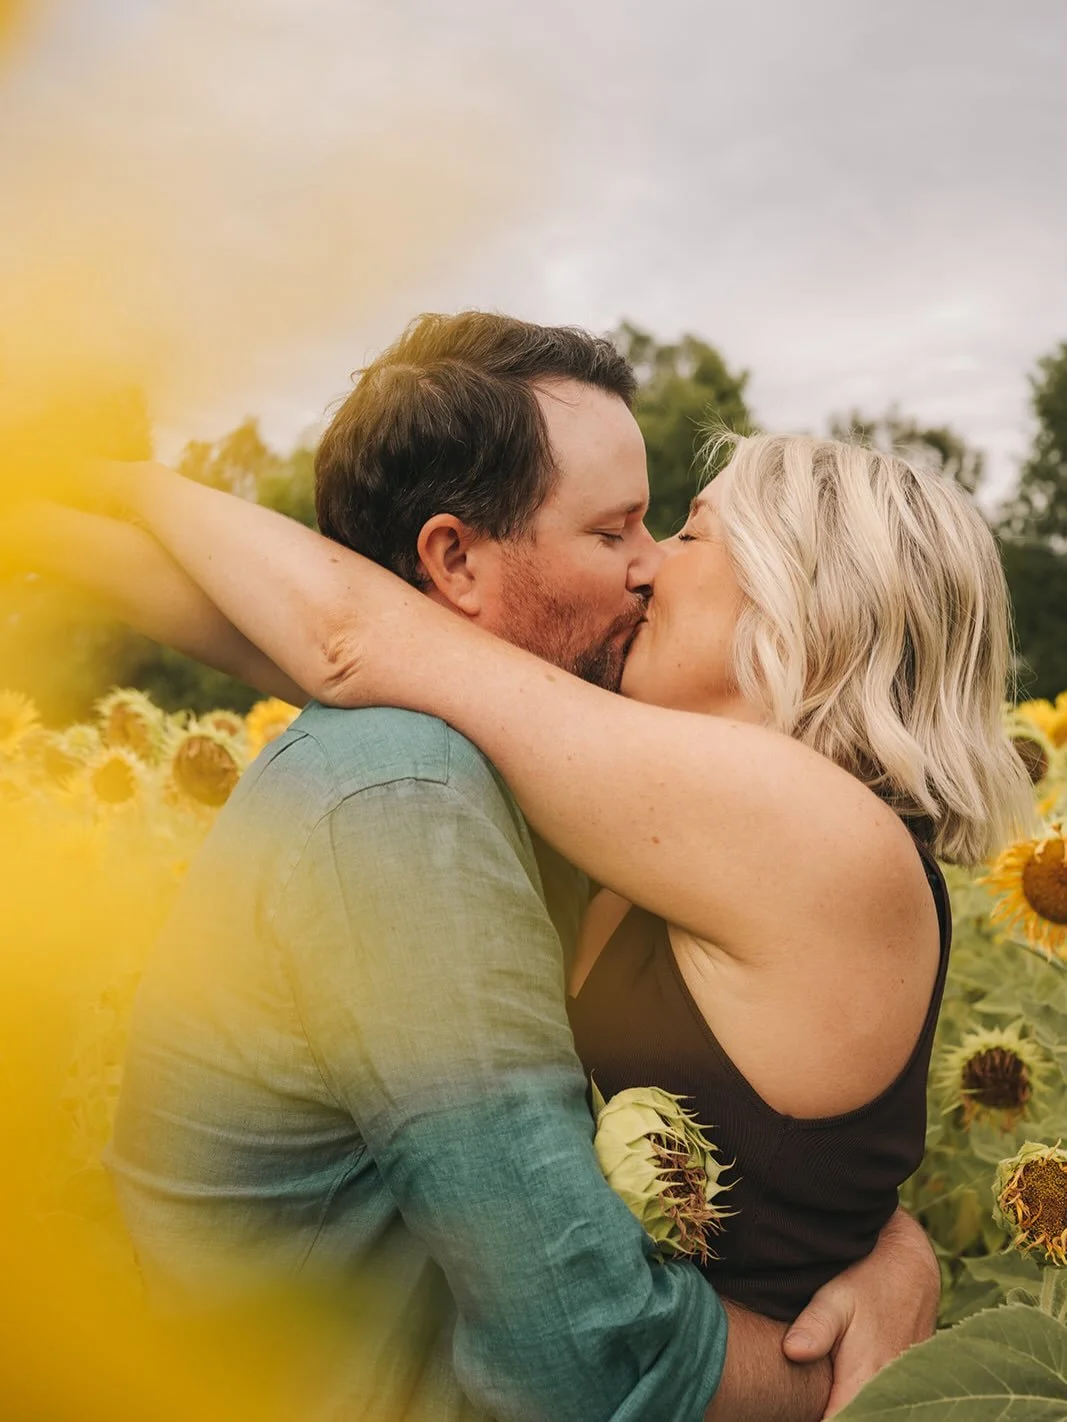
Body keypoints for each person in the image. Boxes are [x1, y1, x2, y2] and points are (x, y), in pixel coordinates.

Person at [10, 314, 959, 1420]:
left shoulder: (805, 828)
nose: (651, 565)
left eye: (683, 533)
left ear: (805, 603)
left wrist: (112, 478)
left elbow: (351, 636)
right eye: (620, 530)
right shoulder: (578, 796)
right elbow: (282, 636)